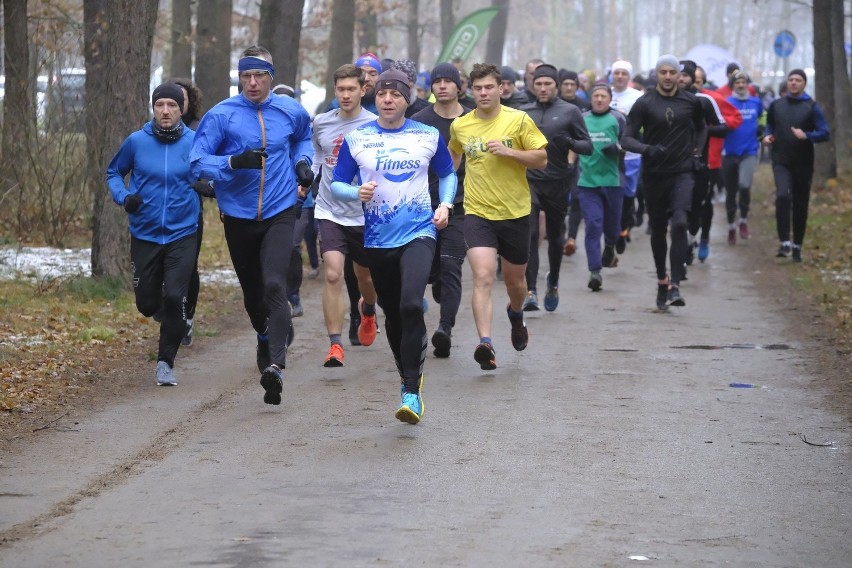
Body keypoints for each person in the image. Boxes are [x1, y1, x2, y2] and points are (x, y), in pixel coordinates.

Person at [331, 68, 457, 424]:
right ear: (376, 98)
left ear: (408, 99)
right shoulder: (358, 139)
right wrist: (356, 192)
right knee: (393, 313)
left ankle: (411, 391)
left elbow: (448, 173)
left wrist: (445, 204)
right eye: (383, 94)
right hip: (377, 238)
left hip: (420, 230)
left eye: (396, 95)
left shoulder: (428, 135)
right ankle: (407, 373)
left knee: (411, 304)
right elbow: (337, 183)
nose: (388, 99)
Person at [190, 45, 314, 406]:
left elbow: (303, 137)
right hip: (238, 216)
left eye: (259, 75)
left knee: (276, 284)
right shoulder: (222, 115)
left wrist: (303, 163)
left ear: (271, 78)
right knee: (252, 293)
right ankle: (264, 335)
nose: (252, 82)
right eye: (246, 76)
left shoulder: (290, 110)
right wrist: (232, 162)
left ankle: (275, 365)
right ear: (239, 78)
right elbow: (196, 163)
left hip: (280, 209)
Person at [448, 63, 548, 370]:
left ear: (501, 88)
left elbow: (542, 159)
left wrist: (512, 153)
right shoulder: (461, 125)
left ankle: (516, 314)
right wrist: (441, 197)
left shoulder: (518, 120)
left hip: (515, 212)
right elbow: (452, 161)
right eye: (477, 88)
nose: (483, 93)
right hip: (477, 212)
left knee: (516, 284)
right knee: (482, 276)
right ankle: (486, 344)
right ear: (470, 91)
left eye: (489, 87)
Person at [106, 83, 200, 386]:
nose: (165, 111)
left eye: (172, 105)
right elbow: (113, 173)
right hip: (145, 233)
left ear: (181, 109)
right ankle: (172, 318)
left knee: (175, 296)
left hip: (182, 232)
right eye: (160, 105)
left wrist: (211, 188)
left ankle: (165, 362)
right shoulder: (136, 142)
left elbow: (212, 172)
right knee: (147, 304)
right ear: (153, 108)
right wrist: (124, 197)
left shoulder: (195, 142)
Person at [621, 55, 707, 310]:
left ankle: (676, 285)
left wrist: (696, 153)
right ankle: (662, 279)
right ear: (656, 74)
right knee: (658, 230)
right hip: (655, 174)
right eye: (663, 72)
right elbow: (626, 138)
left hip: (682, 172)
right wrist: (647, 149)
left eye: (672, 72)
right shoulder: (644, 103)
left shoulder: (691, 102)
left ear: (679, 75)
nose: (668, 76)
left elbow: (702, 128)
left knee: (680, 223)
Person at [311, 63, 380, 367]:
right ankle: (335, 345)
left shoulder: (376, 124)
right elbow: (317, 156)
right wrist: (306, 178)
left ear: (363, 89)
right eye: (340, 89)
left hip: (365, 214)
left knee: (364, 276)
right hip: (330, 210)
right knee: (333, 273)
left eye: (351, 89)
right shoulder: (321, 123)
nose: (346, 94)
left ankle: (368, 310)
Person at [519, 63, 592, 312]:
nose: (542, 88)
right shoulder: (523, 111)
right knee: (529, 233)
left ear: (556, 86)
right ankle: (531, 290)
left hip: (559, 182)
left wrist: (570, 141)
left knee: (555, 236)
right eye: (538, 84)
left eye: (547, 84)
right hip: (530, 180)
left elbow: (587, 146)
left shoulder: (570, 111)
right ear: (532, 85)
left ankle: (553, 282)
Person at [412, 62, 470, 358]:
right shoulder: (419, 120)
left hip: (461, 205)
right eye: (438, 82)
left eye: (449, 81)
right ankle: (437, 285)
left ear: (459, 86)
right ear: (432, 87)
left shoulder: (473, 119)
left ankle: (444, 329)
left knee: (451, 266)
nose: (443, 86)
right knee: (429, 270)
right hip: (422, 205)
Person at [763, 69, 830, 262]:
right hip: (781, 160)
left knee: (800, 203)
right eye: (791, 79)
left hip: (803, 162)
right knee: (783, 195)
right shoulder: (776, 105)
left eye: (798, 80)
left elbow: (825, 133)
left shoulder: (811, 107)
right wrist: (767, 136)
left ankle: (797, 245)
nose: (793, 83)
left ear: (804, 84)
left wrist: (807, 136)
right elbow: (769, 125)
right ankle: (784, 241)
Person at [676, 60, 729, 270]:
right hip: (672, 166)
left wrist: (702, 131)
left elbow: (723, 128)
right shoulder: (664, 100)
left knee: (697, 208)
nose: (681, 79)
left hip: (700, 164)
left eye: (686, 76)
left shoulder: (705, 101)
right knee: (678, 211)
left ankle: (691, 241)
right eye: (677, 74)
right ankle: (680, 248)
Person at [576, 83, 625, 291]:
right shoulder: (582, 119)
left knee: (612, 228)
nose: (598, 99)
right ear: (591, 98)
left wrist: (618, 148)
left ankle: (611, 246)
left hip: (613, 182)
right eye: (595, 95)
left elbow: (631, 141)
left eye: (603, 96)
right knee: (593, 225)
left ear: (609, 99)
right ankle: (595, 272)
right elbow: (574, 141)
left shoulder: (618, 118)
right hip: (587, 182)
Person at [692, 65, 742, 262]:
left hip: (710, 160)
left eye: (698, 81)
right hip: (685, 161)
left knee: (705, 203)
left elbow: (735, 117)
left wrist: (709, 130)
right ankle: (689, 238)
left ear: (703, 83)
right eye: (691, 80)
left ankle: (704, 238)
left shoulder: (712, 99)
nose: (694, 84)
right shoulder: (679, 100)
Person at [171, 78, 206, 347]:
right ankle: (171, 313)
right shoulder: (154, 132)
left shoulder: (199, 130)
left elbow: (209, 173)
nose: (174, 104)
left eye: (180, 98)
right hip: (159, 212)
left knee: (189, 266)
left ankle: (187, 317)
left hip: (192, 212)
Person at [723, 70, 764, 246]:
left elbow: (763, 118)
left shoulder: (756, 102)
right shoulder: (726, 103)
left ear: (748, 85)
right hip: (729, 152)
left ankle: (744, 221)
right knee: (731, 191)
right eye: (737, 83)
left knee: (745, 185)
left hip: (749, 151)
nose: (740, 85)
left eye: (743, 82)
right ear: (732, 85)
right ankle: (731, 225)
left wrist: (762, 132)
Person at [609, 59, 644, 253]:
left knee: (628, 195)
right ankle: (616, 231)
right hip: (607, 157)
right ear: (612, 75)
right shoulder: (604, 94)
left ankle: (624, 226)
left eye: (624, 73)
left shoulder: (637, 97)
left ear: (629, 77)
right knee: (612, 195)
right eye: (617, 73)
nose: (620, 76)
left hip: (630, 155)